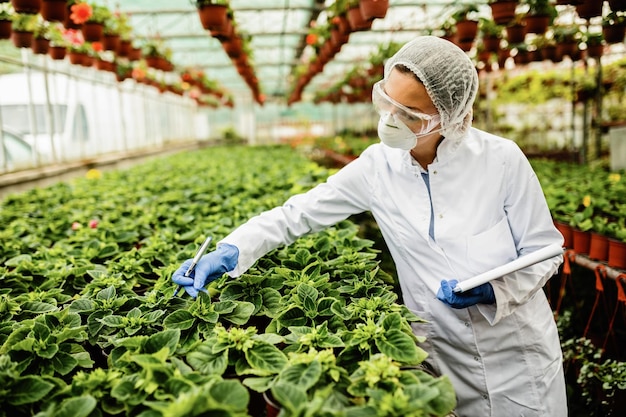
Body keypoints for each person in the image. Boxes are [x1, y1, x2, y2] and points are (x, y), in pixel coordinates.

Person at [172, 36, 567, 417]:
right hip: (442, 355)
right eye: (387, 102)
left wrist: (495, 290)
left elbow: (544, 250)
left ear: (449, 118)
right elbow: (298, 214)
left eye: (409, 115)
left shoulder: (501, 160)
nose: (390, 119)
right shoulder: (377, 167)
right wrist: (231, 250)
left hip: (518, 356)